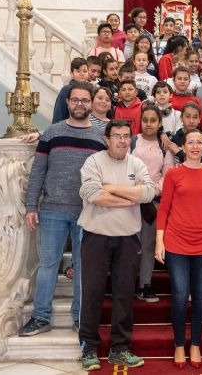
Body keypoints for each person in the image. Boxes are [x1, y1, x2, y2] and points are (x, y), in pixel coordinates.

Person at [20, 83, 106, 337]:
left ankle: (81, 317)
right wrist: (30, 206)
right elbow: (38, 171)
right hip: (52, 211)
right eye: (75, 100)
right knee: (48, 265)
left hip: (87, 213)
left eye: (84, 100)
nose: (80, 104)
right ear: (67, 103)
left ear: (91, 104)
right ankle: (40, 317)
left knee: (83, 268)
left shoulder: (100, 138)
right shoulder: (51, 133)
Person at [78, 119, 157, 371]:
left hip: (128, 238)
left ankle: (119, 348)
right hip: (96, 237)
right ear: (107, 138)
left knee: (124, 294)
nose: (123, 140)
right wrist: (129, 197)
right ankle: (89, 347)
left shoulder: (136, 163)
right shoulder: (94, 162)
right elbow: (95, 196)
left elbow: (148, 193)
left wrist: (111, 188)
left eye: (126, 136)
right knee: (92, 293)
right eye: (117, 136)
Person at [155, 129, 202, 369]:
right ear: (183, 146)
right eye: (190, 142)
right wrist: (159, 241)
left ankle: (195, 343)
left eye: (199, 142)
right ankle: (178, 344)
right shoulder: (174, 174)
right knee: (180, 296)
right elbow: (163, 209)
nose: (195, 146)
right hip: (176, 242)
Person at [130, 106, 175, 303]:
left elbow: (168, 174)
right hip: (130, 199)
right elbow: (125, 166)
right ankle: (127, 283)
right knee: (128, 246)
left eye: (153, 120)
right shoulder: (132, 141)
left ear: (159, 123)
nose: (148, 124)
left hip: (153, 201)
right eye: (145, 120)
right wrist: (135, 190)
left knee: (148, 245)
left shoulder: (163, 145)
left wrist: (151, 191)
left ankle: (144, 285)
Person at [52, 57, 89, 124]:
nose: (82, 74)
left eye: (85, 71)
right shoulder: (66, 90)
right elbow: (59, 113)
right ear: (71, 73)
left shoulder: (91, 89)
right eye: (78, 71)